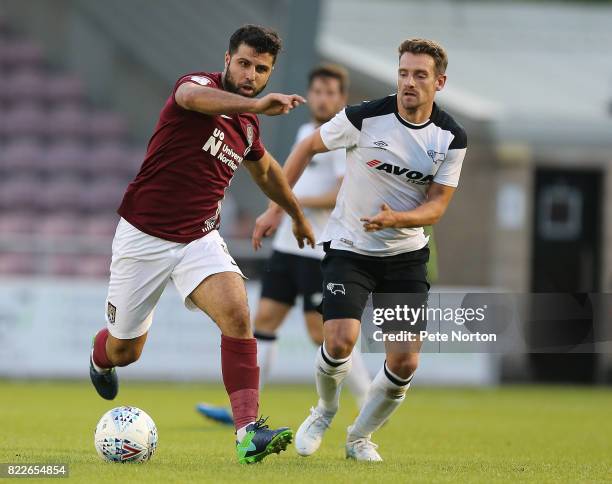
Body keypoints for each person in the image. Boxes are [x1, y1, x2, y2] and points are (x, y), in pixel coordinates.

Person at [88, 24, 315, 465]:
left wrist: (298, 216)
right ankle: (100, 359)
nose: (251, 74)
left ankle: (248, 434)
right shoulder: (198, 87)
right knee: (125, 349)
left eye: (261, 69)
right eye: (245, 63)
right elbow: (191, 100)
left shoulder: (248, 126)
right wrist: (254, 104)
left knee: (237, 312)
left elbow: (267, 173)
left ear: (269, 74)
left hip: (198, 237)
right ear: (227, 60)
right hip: (144, 237)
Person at [253, 38, 467, 461]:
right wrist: (277, 210)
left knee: (405, 363)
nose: (409, 82)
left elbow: (437, 206)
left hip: (406, 256)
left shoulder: (451, 137)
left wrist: (396, 220)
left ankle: (359, 437)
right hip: (350, 247)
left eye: (419, 75)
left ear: (439, 82)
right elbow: (305, 147)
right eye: (403, 73)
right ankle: (324, 410)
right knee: (339, 340)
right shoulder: (365, 117)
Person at [197, 65, 371, 427]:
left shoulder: (339, 136)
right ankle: (243, 410)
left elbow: (343, 193)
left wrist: (294, 205)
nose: (323, 98)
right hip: (288, 247)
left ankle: (368, 399)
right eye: (318, 91)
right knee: (263, 323)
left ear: (341, 99)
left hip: (318, 250)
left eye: (330, 92)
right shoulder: (307, 132)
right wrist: (281, 211)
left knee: (320, 333)